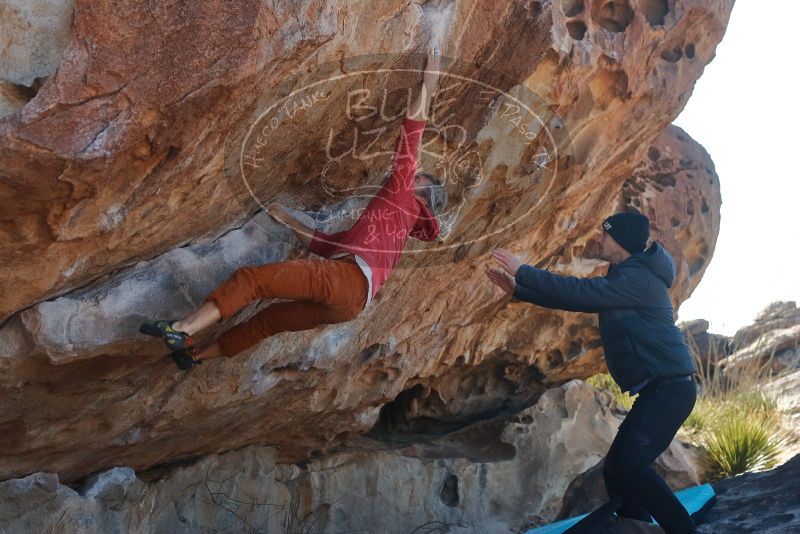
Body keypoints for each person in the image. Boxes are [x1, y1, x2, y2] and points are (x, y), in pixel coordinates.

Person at [141, 46, 447, 370]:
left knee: (251, 280)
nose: (411, 175)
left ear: (422, 194)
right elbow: (327, 246)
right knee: (270, 322)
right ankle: (194, 356)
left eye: (419, 177)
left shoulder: (404, 199)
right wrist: (289, 221)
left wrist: (429, 83)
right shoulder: (393, 228)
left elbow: (411, 134)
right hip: (351, 304)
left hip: (346, 280)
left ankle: (181, 330)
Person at [487, 211, 699, 534]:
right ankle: (636, 527)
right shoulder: (625, 275)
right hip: (660, 390)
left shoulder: (637, 278)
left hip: (671, 391)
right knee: (616, 469)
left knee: (631, 464)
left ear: (622, 241)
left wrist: (525, 272)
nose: (599, 238)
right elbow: (579, 300)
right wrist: (522, 289)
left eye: (605, 234)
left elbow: (581, 293)